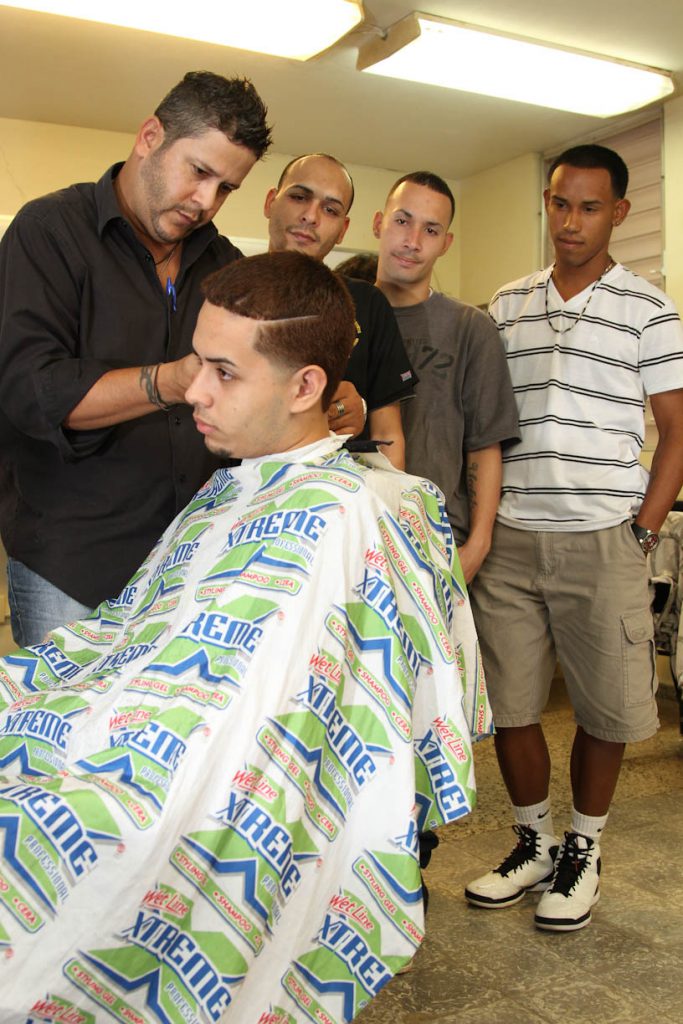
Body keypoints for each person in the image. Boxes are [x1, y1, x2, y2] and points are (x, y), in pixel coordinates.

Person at [0, 251, 490, 1022]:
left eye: (223, 372)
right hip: (135, 714)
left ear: (304, 387)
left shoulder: (343, 516)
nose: (193, 389)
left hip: (201, 772)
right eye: (198, 361)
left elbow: (261, 724)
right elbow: (138, 636)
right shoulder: (232, 486)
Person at [465, 144, 683, 931]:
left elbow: (676, 432)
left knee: (604, 709)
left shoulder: (650, 310)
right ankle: (532, 843)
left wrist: (642, 531)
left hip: (602, 538)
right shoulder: (504, 304)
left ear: (617, 212)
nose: (570, 221)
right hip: (510, 538)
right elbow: (481, 421)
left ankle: (582, 851)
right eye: (559, 203)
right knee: (510, 706)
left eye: (589, 207)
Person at [0, 71, 271, 648]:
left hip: (189, 565)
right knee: (69, 709)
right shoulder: (49, 232)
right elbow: (31, 391)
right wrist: (168, 382)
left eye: (226, 188)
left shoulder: (224, 263)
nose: (206, 202)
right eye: (199, 172)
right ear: (150, 137)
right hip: (72, 565)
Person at [374, 171, 520, 584]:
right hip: (350, 528)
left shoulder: (470, 327)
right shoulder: (342, 313)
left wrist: (478, 545)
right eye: (402, 221)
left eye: (431, 229)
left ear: (446, 243)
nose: (413, 240)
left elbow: (485, 444)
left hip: (437, 540)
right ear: (378, 223)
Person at [264, 153, 417, 468]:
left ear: (343, 229)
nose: (311, 216)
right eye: (299, 197)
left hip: (340, 490)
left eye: (330, 209)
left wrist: (358, 407)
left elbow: (388, 434)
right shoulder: (225, 296)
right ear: (270, 202)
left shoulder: (366, 304)